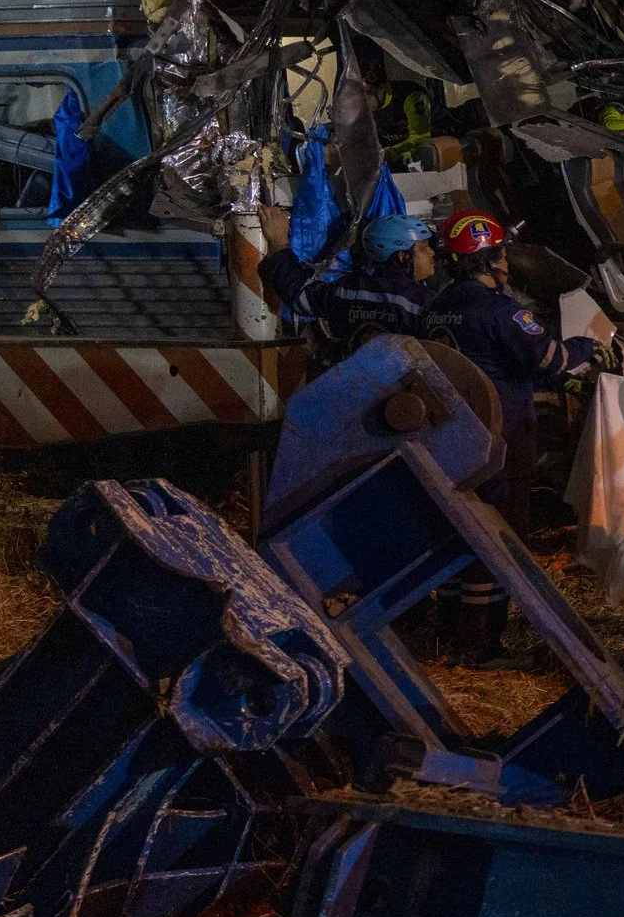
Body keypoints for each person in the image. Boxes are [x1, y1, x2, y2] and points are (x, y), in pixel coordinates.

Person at [426, 208, 604, 659]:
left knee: (455, 535)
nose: (507, 262)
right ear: (489, 260)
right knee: (501, 539)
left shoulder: (438, 309)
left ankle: (448, 636)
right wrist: (591, 346)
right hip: (502, 440)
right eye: (502, 253)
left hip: (447, 439)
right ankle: (482, 645)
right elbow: (552, 359)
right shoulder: (502, 311)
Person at [257, 208, 438, 365]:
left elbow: (300, 296)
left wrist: (279, 243)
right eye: (423, 247)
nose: (432, 253)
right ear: (402, 256)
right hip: (401, 397)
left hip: (350, 393)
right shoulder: (423, 302)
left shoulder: (347, 289)